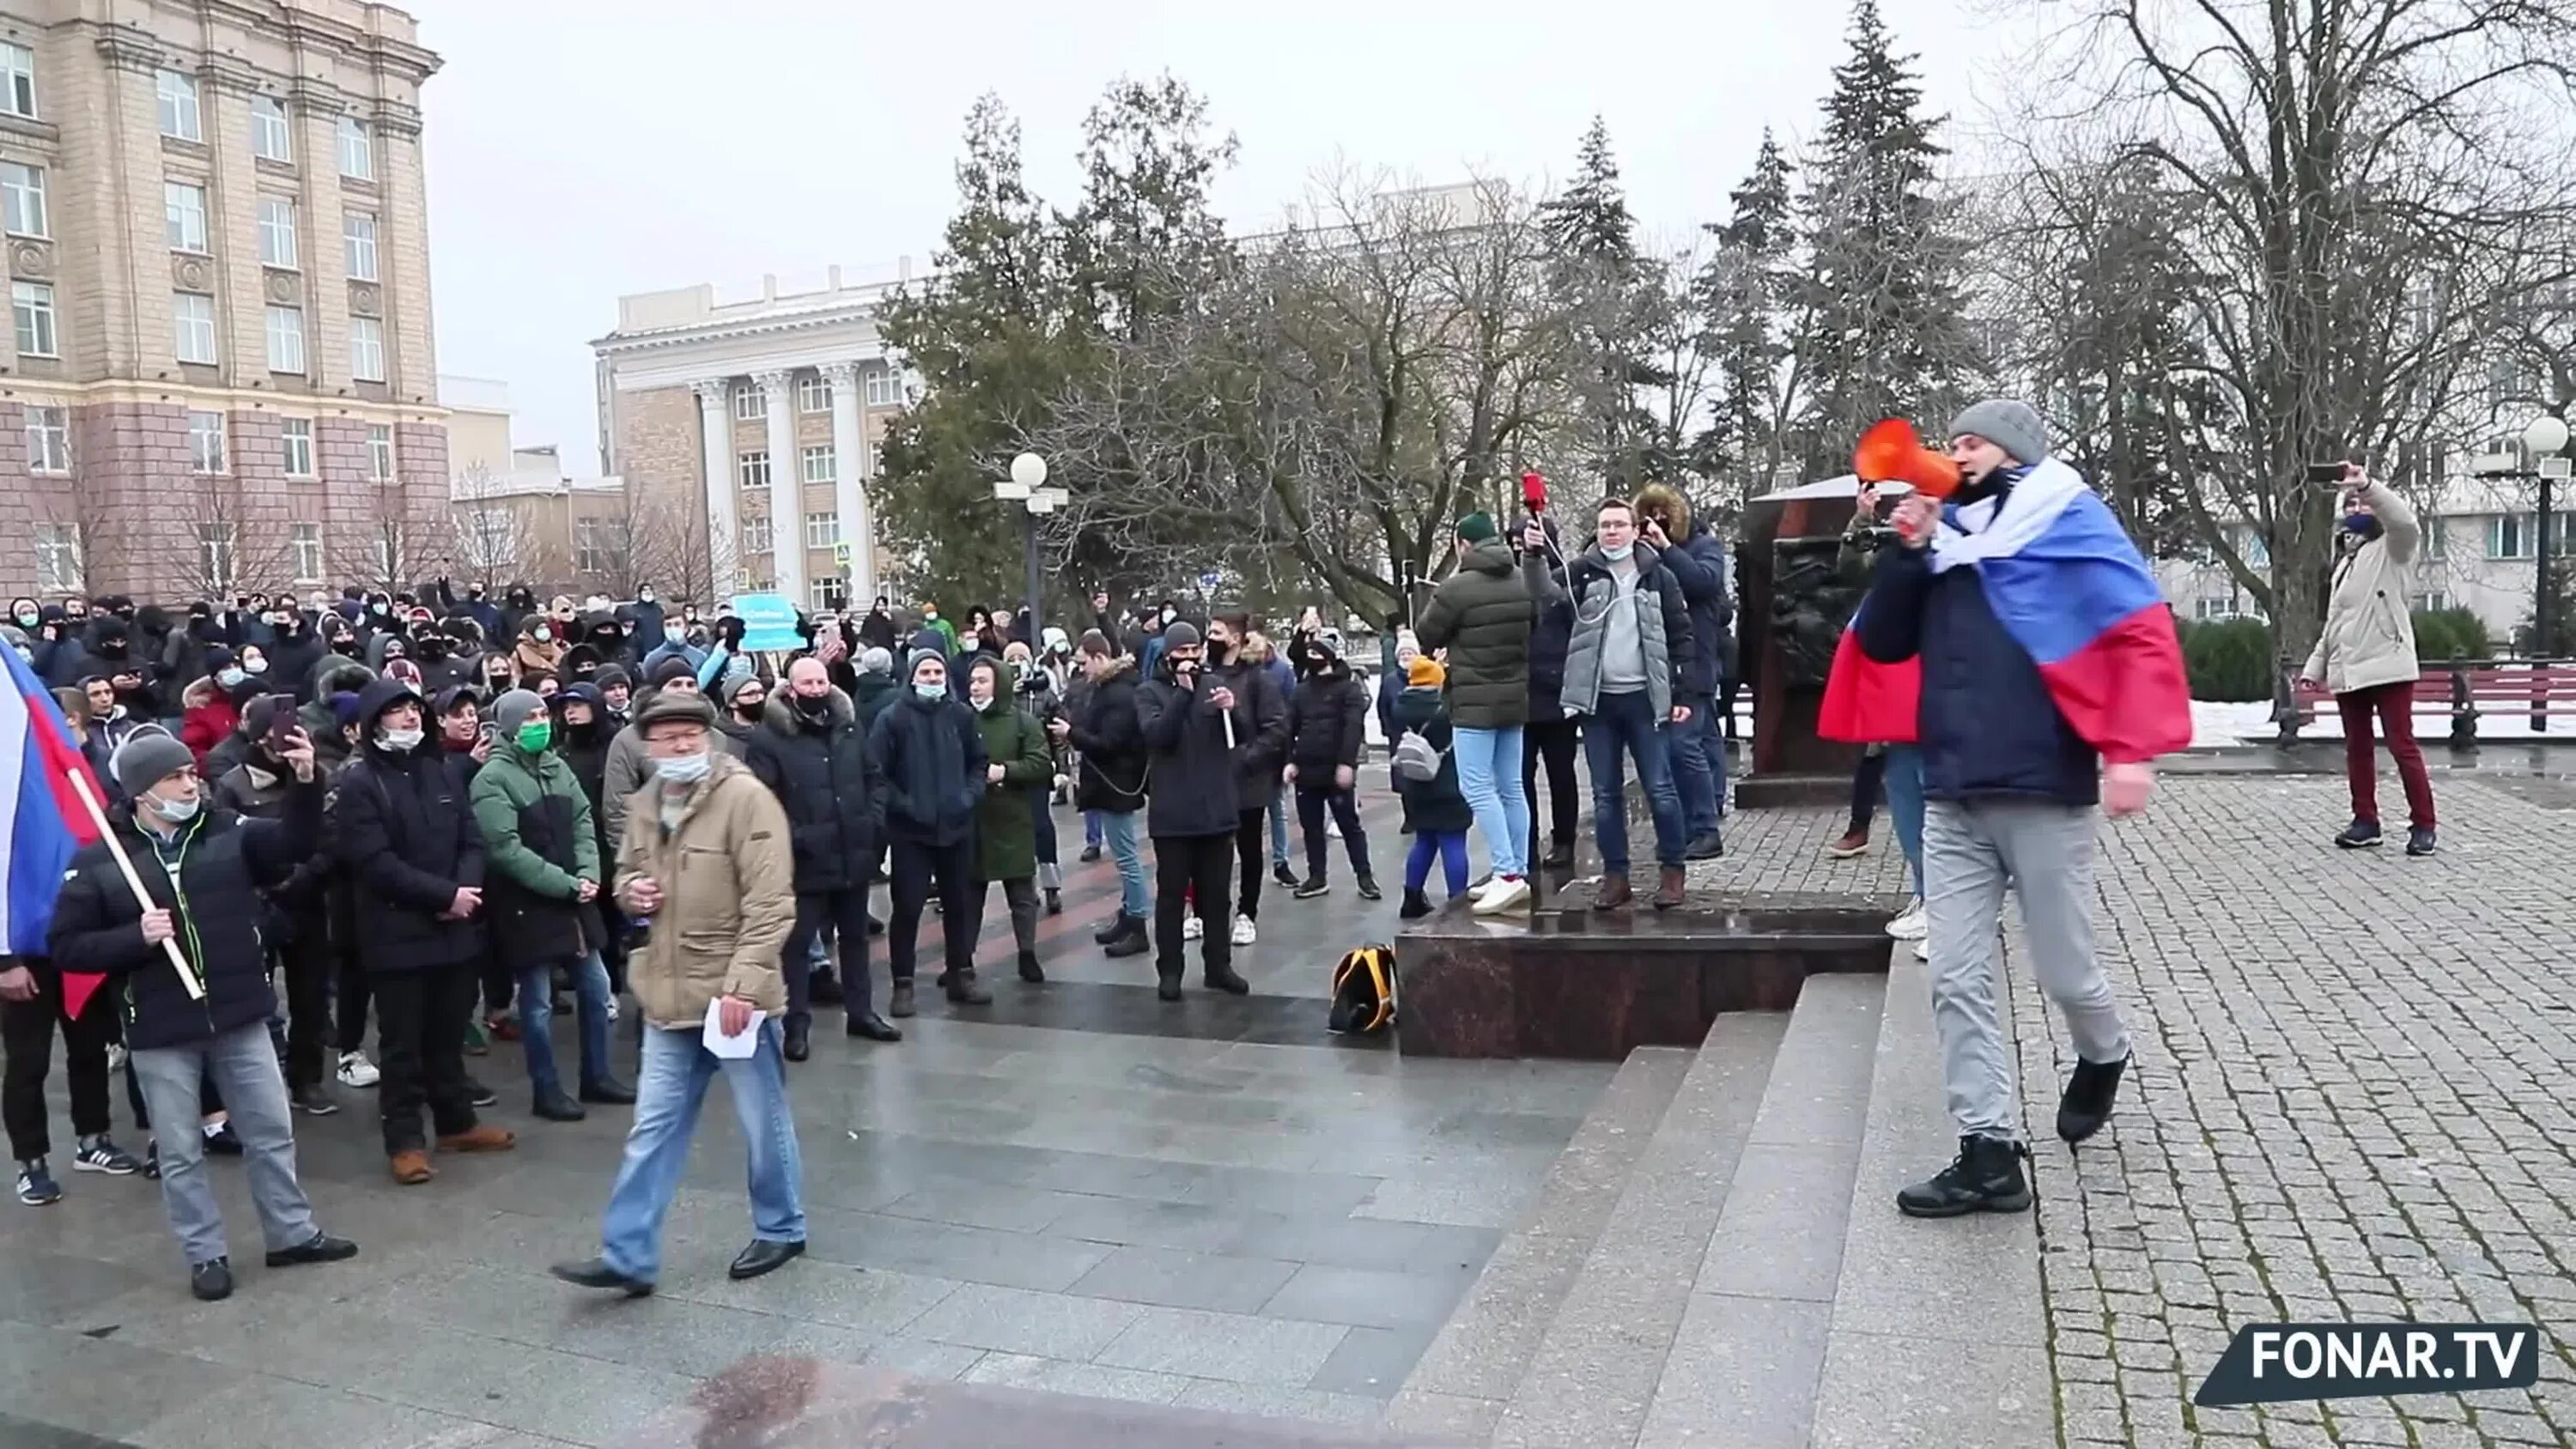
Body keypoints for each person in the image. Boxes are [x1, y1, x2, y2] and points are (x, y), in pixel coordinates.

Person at [1856, 398, 2190, 1217]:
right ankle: (1989, 1151)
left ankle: (2102, 1051)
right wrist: (1907, 549)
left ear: (2013, 455)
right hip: (1953, 793)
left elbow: (2135, 628)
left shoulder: (2067, 524)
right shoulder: (1942, 537)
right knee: (1957, 976)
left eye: (1972, 442)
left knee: (2065, 970)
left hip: (2044, 788)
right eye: (1953, 441)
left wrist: (2131, 750)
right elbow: (1887, 641)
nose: (1955, 454)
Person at [48, 729, 357, 1300]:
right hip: (161, 1028)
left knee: (270, 1130)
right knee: (181, 1149)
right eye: (175, 776)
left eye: (191, 773)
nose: (191, 783)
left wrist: (308, 780)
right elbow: (67, 946)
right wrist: (132, 938)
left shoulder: (227, 832)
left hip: (240, 1012)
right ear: (142, 791)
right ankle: (205, 1253)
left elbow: (296, 842)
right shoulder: (101, 860)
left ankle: (291, 1232)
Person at [552, 689, 805, 1294]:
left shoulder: (746, 800)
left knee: (760, 1118)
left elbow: (771, 903)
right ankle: (629, 1253)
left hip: (731, 997)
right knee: (652, 1128)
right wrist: (632, 890)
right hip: (667, 994)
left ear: (708, 736)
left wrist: (745, 985)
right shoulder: (646, 804)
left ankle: (782, 1225)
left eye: (691, 733)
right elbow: (629, 873)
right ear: (648, 745)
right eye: (666, 737)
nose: (681, 744)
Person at [334, 679, 516, 1185]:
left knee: (447, 1034)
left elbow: (471, 839)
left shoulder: (441, 772)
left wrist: (464, 891)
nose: (410, 719)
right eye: (396, 712)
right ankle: (406, 1140)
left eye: (414, 709)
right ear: (374, 724)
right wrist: (442, 897)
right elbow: (374, 863)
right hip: (397, 935)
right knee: (403, 1044)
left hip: (455, 927)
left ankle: (457, 1123)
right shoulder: (360, 783)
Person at [469, 690, 635, 1122]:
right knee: (538, 1004)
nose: (540, 723)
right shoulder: (492, 779)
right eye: (531, 717)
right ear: (509, 725)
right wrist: (567, 883)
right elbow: (505, 849)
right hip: (529, 905)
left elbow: (584, 820)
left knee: (597, 992)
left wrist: (588, 873)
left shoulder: (557, 767)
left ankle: (596, 1076)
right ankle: (547, 1090)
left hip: (574, 899)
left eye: (544, 714)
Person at [1540, 498, 1697, 911]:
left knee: (1661, 789)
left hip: (1646, 700)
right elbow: (1542, 593)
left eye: (1619, 524)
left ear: (1634, 529)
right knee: (1605, 794)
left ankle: (1672, 872)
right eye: (1605, 525)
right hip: (1598, 704)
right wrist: (1532, 554)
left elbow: (1682, 637)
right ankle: (1616, 876)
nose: (1612, 532)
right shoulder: (1580, 574)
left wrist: (1682, 694)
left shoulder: (1658, 576)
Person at [744, 658, 899, 1053]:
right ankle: (797, 1024)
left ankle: (862, 1013)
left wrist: (872, 821)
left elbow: (874, 776)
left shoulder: (848, 725)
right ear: (791, 688)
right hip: (804, 859)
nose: (816, 689)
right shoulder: (768, 738)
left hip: (853, 849)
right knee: (797, 947)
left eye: (821, 681)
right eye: (807, 683)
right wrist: (796, 838)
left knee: (855, 940)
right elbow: (762, 800)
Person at [2301, 464, 2435, 854]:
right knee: (2357, 747)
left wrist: (2368, 485)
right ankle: (2365, 820)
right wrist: (2316, 666)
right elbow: (2335, 622)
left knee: (2401, 745)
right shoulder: (2344, 563)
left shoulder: (2395, 549)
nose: (2357, 505)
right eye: (2351, 501)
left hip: (2388, 662)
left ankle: (2423, 825)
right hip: (2349, 667)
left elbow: (2405, 522)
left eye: (2364, 501)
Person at [1416, 512, 1538, 912]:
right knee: (1512, 787)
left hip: (1473, 702)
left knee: (1476, 787)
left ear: (1462, 544)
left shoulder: (1455, 589)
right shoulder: (1522, 580)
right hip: (1514, 698)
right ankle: (1518, 871)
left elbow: (1426, 634)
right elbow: (1533, 625)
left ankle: (1504, 874)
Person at [868, 652, 991, 1013]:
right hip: (910, 833)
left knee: (959, 905)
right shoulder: (892, 718)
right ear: (912, 676)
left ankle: (961, 973)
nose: (933, 677)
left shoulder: (962, 716)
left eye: (938, 671)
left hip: (956, 828)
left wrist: (968, 797)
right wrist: (904, 806)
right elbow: (877, 774)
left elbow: (978, 763)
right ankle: (903, 983)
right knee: (907, 909)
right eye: (925, 671)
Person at [1135, 621, 1249, 999]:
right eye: (1180, 653)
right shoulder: (1149, 692)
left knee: (1217, 896)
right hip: (1173, 817)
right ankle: (1170, 970)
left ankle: (1219, 966)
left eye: (1193, 651)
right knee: (1171, 897)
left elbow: (1244, 736)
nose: (1188, 659)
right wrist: (1183, 695)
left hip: (1216, 811)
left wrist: (1233, 710)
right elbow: (1158, 737)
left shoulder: (1215, 684)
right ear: (1167, 655)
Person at [1633, 482, 1732, 859]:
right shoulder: (1646, 555)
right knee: (1676, 751)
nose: (1655, 524)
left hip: (1694, 662)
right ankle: (1687, 828)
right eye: (1648, 517)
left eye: (1663, 517)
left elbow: (1703, 583)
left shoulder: (1704, 548)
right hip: (1660, 665)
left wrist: (1667, 550)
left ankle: (1706, 826)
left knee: (1686, 746)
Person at [1060, 633, 1151, 957]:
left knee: (1126, 857)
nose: (1082, 669)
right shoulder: (1104, 689)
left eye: (1084, 662)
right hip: (1110, 782)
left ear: (1100, 657)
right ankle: (1128, 915)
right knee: (1123, 855)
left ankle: (1138, 922)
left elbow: (1109, 743)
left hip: (1116, 783)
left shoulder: (1120, 693)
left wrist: (1072, 734)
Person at [1202, 614, 1289, 948]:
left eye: (1216, 632)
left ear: (1235, 638)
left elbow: (1276, 728)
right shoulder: (1206, 675)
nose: (1210, 638)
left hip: (1247, 782)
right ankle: (1208, 911)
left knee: (1249, 849)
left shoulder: (1258, 679)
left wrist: (1246, 757)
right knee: (1211, 851)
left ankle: (1246, 913)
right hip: (1211, 779)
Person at [964, 657, 1053, 984]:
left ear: (998, 684)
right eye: (972, 680)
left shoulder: (1022, 722)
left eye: (983, 680)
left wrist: (1007, 771)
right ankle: (963, 959)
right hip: (973, 820)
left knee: (1021, 894)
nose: (975, 686)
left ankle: (1027, 954)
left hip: (1013, 817)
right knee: (969, 895)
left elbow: (1041, 763)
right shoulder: (962, 719)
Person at [1284, 635, 1377, 899]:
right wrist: (1290, 760)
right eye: (1309, 653)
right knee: (1311, 828)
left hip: (1336, 768)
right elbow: (1289, 728)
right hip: (1306, 770)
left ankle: (1364, 876)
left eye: (1317, 653)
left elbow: (1352, 728)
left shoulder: (1348, 689)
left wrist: (1346, 764)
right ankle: (1317, 877)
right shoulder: (1301, 691)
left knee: (1349, 825)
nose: (1311, 659)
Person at [1392, 656, 1473, 918]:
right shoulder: (1445, 710)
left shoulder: (1400, 706)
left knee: (1424, 840)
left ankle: (1411, 897)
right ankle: (1457, 902)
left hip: (1415, 786)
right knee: (1453, 841)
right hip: (1449, 785)